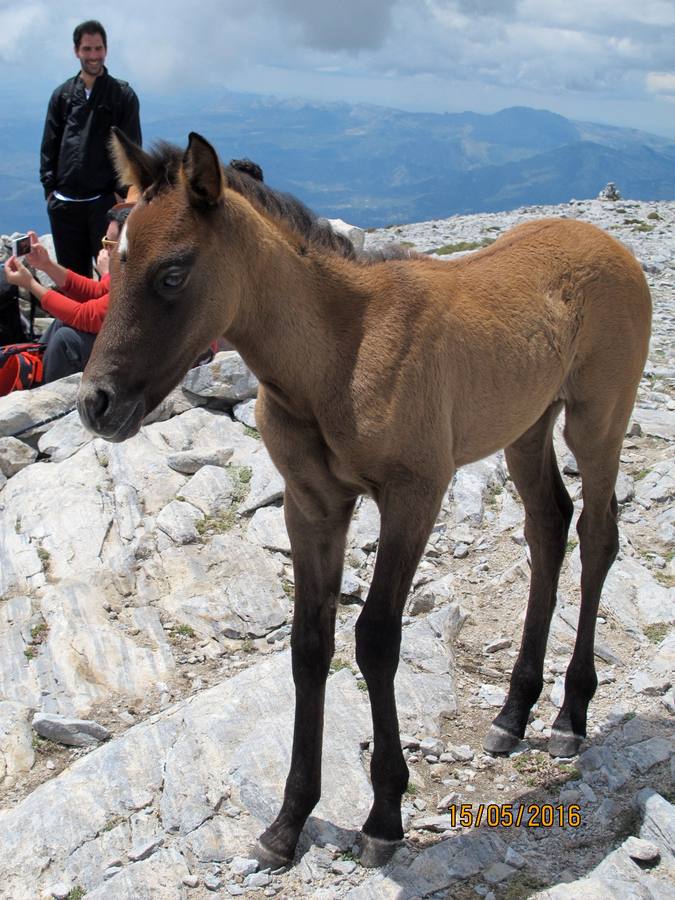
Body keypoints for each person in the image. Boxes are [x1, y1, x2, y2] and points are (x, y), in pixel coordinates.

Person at [40, 20, 141, 278]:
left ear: (106, 50)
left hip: (103, 205)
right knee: (72, 280)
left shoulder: (122, 95)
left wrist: (120, 199)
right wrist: (50, 191)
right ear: (77, 51)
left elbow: (131, 149)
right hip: (64, 206)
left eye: (98, 49)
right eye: (87, 49)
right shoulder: (62, 95)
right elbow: (49, 145)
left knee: (110, 278)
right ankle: (74, 320)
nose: (93, 56)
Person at [3, 205, 132, 382]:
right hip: (124, 339)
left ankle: (45, 394)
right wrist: (46, 265)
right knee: (62, 322)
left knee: (67, 341)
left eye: (110, 244)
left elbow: (86, 316)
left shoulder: (138, 281)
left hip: (139, 355)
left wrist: (30, 284)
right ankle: (32, 367)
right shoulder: (130, 268)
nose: (105, 250)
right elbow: (97, 292)